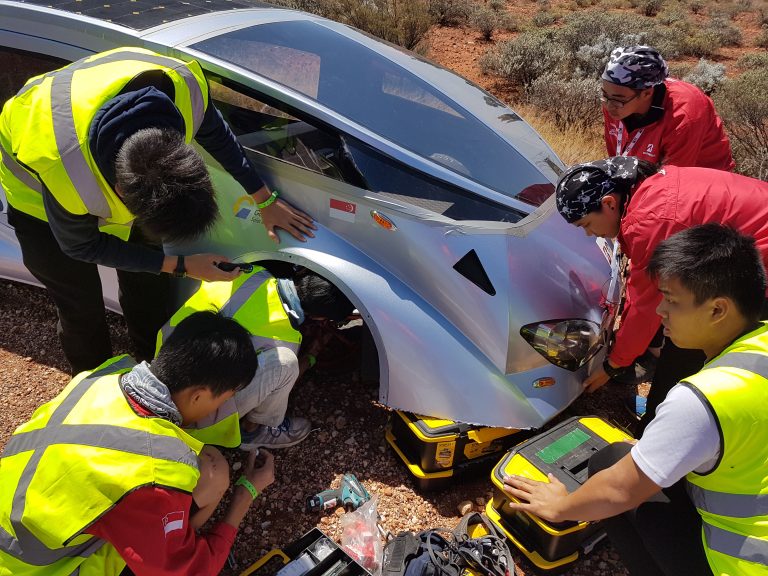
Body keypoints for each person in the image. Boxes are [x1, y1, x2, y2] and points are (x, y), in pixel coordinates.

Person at [0, 46, 316, 375]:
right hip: (37, 203)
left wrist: (263, 198)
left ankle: (153, 366)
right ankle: (97, 386)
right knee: (81, 304)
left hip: (91, 131)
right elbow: (81, 245)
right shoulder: (66, 170)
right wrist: (181, 265)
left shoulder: (182, 88)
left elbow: (216, 134)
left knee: (148, 283)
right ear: (122, 193)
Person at [503, 224, 768, 576]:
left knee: (609, 464)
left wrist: (562, 506)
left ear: (718, 310)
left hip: (737, 565)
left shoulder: (703, 399)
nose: (660, 311)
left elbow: (620, 490)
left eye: (672, 300)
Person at [0, 311, 276, 575]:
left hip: (23, 513)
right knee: (214, 476)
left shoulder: (105, 375)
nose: (223, 406)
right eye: (224, 398)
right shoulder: (155, 473)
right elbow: (190, 570)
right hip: (37, 568)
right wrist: (245, 496)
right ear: (199, 396)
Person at [555, 156, 768, 434]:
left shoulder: (649, 221)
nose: (588, 234)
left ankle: (660, 432)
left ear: (609, 203)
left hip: (760, 263)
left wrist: (613, 365)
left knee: (691, 336)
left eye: (586, 224)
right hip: (752, 244)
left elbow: (646, 304)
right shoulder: (647, 191)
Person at [157, 267, 355, 450]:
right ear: (320, 318)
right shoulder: (286, 340)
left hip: (164, 363)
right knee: (285, 365)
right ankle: (254, 430)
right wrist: (311, 356)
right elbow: (290, 371)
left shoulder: (253, 272)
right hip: (190, 414)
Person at [601, 46, 734, 171]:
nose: (609, 105)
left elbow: (674, 182)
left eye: (618, 99)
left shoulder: (683, 115)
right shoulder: (614, 102)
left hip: (700, 184)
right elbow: (616, 159)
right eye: (604, 95)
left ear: (647, 93)